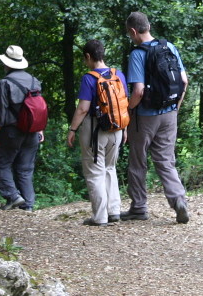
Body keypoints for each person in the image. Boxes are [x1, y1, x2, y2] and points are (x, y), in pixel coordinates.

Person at [122, 12, 189, 224]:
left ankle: (139, 207)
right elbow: (184, 81)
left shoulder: (137, 53)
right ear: (148, 26)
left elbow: (139, 91)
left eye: (129, 34)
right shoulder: (169, 47)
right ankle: (179, 201)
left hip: (145, 117)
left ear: (133, 31)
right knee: (166, 161)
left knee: (137, 162)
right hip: (169, 113)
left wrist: (127, 110)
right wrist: (175, 108)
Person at [67, 40, 126, 226]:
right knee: (110, 168)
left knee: (94, 171)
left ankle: (100, 217)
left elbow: (83, 108)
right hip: (117, 129)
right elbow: (123, 105)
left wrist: (72, 129)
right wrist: (125, 129)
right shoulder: (118, 75)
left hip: (95, 130)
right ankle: (114, 211)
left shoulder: (89, 78)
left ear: (88, 56)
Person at [0, 45, 44, 212]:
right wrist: (40, 129)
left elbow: (1, 111)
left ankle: (13, 197)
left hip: (12, 131)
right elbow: (38, 107)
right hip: (33, 131)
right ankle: (28, 205)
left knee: (0, 164)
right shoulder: (34, 80)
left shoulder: (5, 83)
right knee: (25, 168)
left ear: (7, 64)